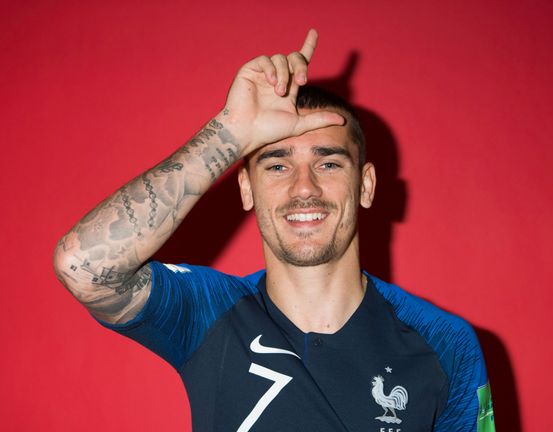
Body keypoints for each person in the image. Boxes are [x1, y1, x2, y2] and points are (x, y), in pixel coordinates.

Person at [53, 29, 495, 432]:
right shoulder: (211, 312)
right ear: (246, 188)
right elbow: (84, 264)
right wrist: (231, 131)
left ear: (366, 186)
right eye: (278, 165)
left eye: (327, 163)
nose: (305, 188)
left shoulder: (445, 342)